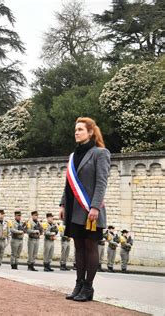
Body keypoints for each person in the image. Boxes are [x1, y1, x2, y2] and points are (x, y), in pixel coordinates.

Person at [59, 117, 111, 302]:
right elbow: (68, 183)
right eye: (76, 129)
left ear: (90, 132)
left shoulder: (100, 153)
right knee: (78, 247)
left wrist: (95, 206)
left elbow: (101, 182)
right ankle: (78, 284)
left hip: (90, 210)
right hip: (74, 209)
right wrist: (63, 204)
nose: (76, 132)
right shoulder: (73, 155)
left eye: (80, 129)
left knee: (90, 247)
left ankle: (88, 287)